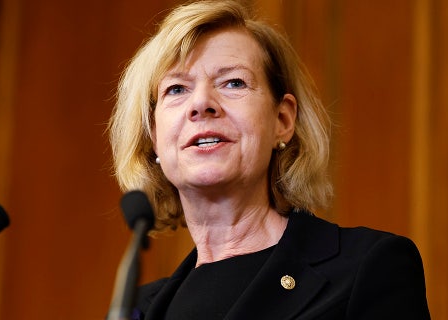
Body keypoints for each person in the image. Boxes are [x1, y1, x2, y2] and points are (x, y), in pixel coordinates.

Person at [108, 0, 430, 319]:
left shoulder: (369, 268)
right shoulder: (137, 309)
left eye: (233, 82)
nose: (202, 103)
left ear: (283, 120)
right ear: (153, 136)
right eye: (177, 89)